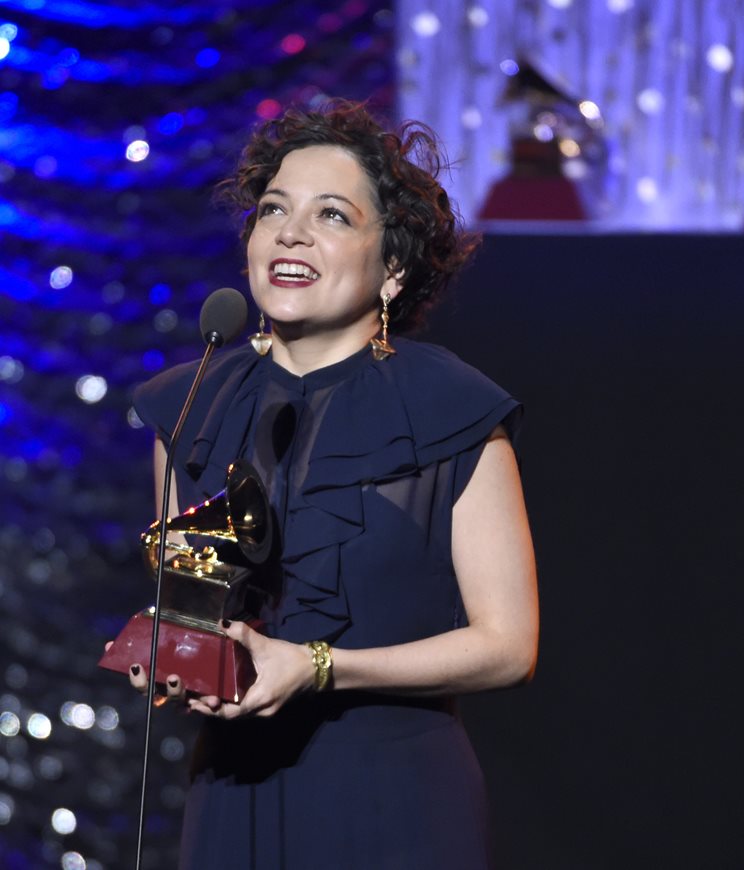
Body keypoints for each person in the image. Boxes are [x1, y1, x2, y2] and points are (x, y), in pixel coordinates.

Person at [125, 100, 538, 868]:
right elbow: (189, 605)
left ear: (393, 268)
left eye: (333, 216)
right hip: (233, 794)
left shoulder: (450, 411)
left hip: (394, 796)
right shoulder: (191, 407)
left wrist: (320, 667)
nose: (290, 232)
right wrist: (177, 655)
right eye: (274, 209)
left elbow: (509, 647)